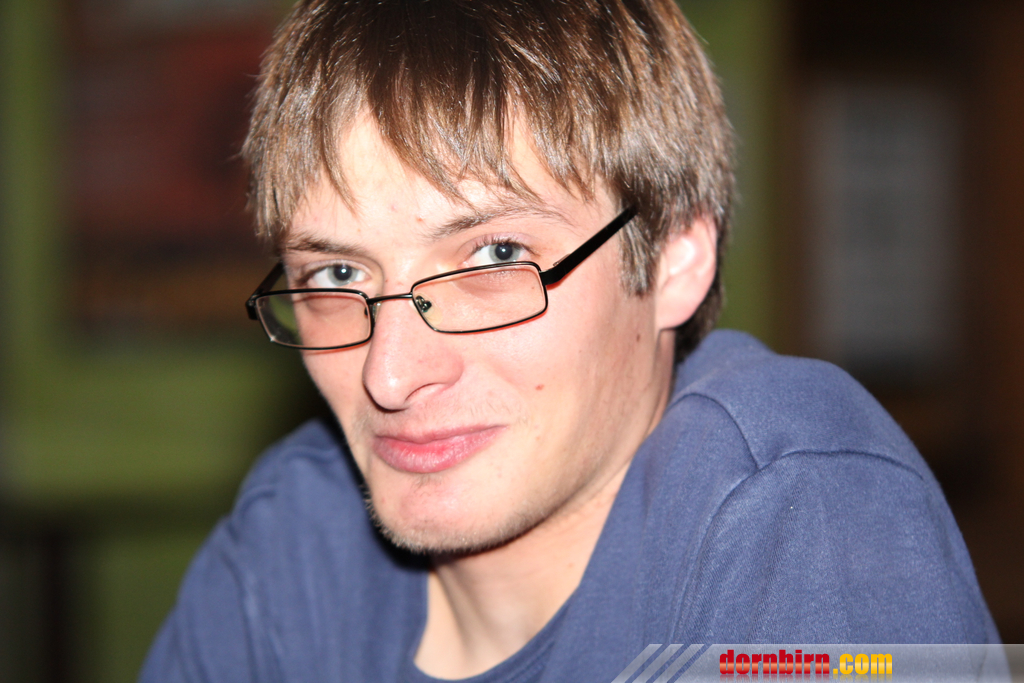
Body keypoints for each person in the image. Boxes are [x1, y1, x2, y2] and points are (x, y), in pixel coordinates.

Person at [140, 0, 1000, 681]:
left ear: (674, 256)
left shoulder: (800, 509)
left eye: (495, 257)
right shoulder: (293, 546)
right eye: (336, 275)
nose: (390, 373)